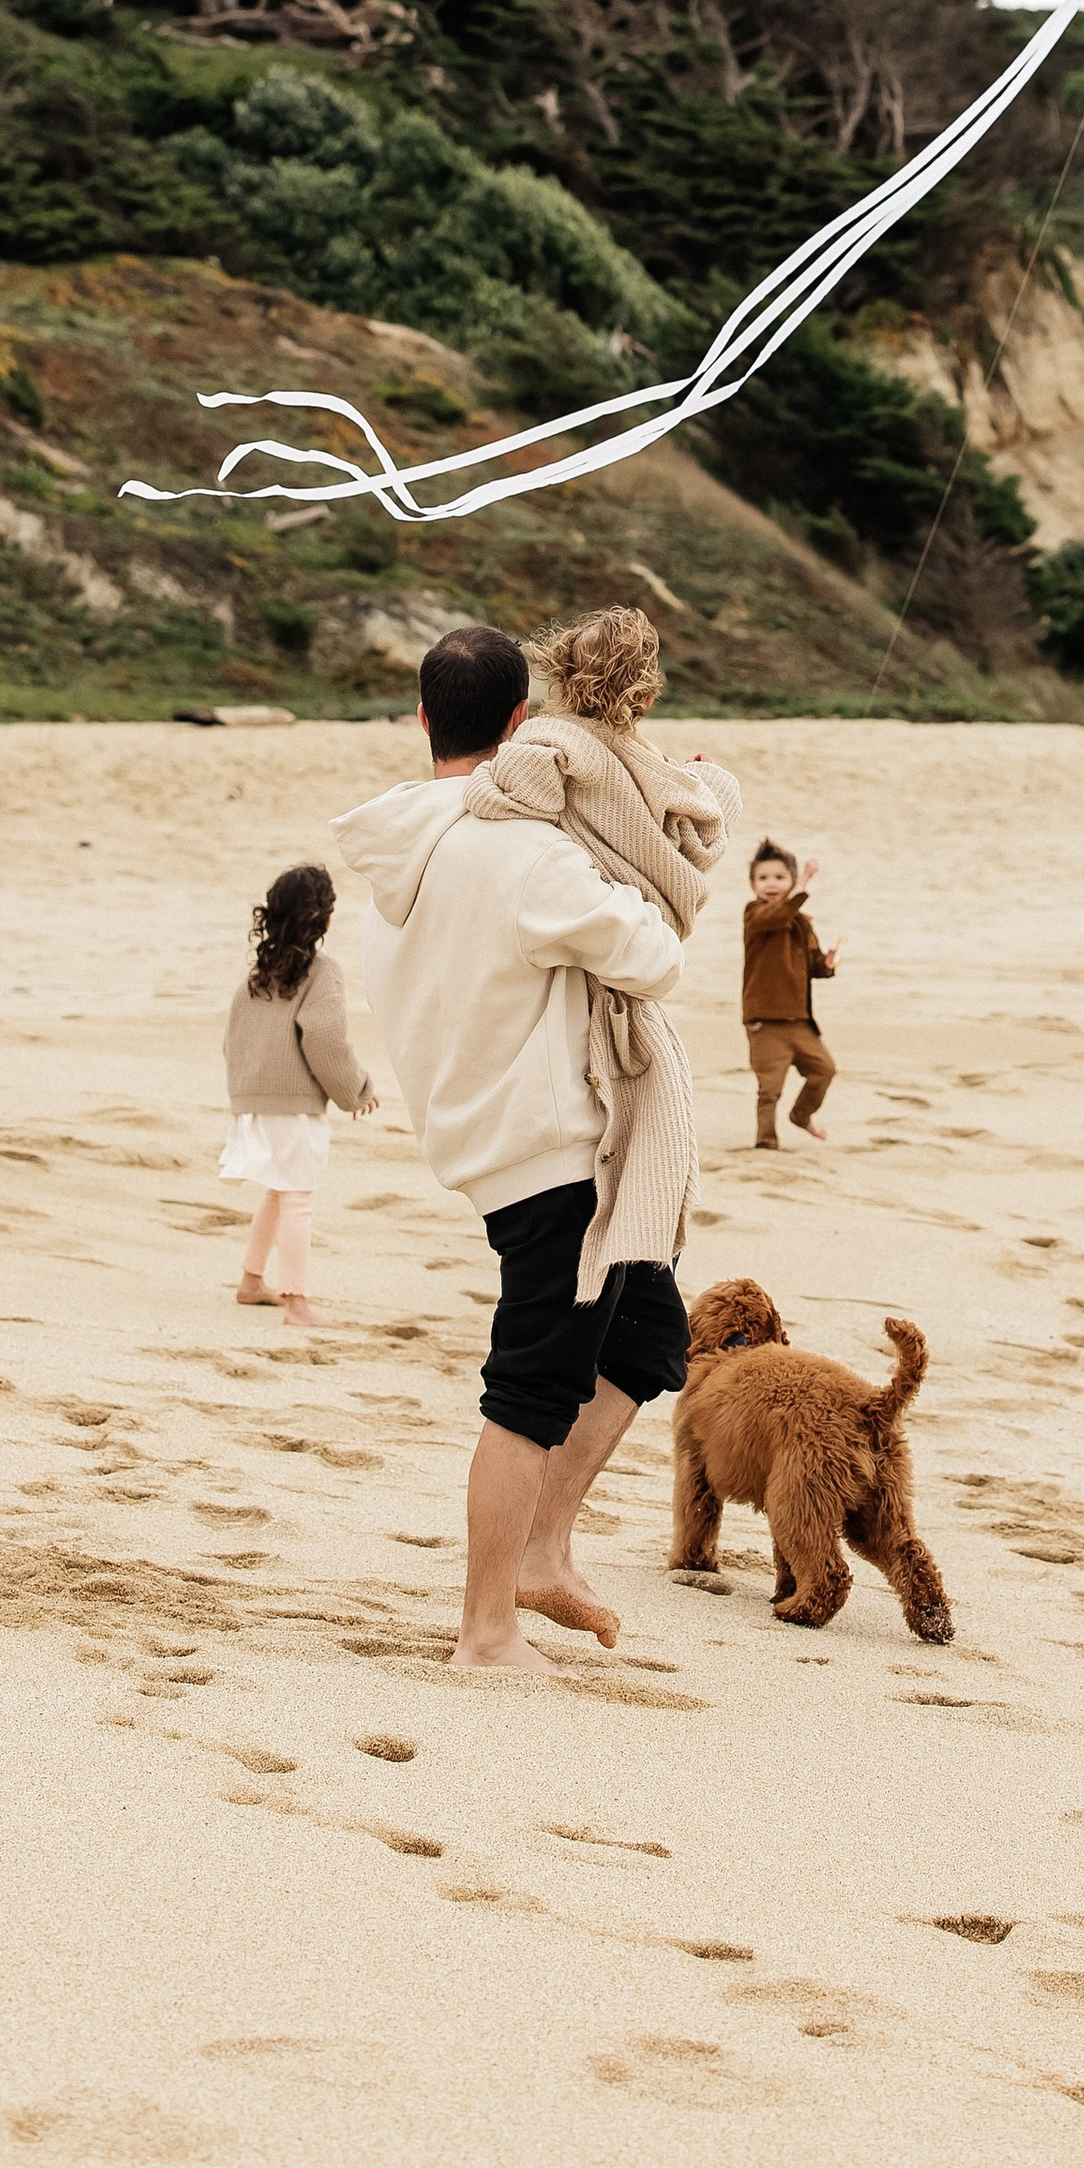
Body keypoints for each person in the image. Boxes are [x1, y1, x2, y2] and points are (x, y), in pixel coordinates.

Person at [335, 621, 712, 1676]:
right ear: (518, 727)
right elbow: (653, 955)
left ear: (422, 721)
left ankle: (541, 1554)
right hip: (553, 1156)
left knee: (645, 1343)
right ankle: (485, 1630)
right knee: (529, 1391)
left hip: (494, 1144)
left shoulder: (399, 858)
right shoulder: (519, 853)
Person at [222, 863, 379, 1331]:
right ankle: (296, 1302)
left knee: (280, 1186)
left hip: (253, 1098)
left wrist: (245, 1091)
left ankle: (252, 1281)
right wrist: (356, 1090)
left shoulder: (258, 973)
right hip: (292, 1104)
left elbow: (233, 1039)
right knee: (297, 1198)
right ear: (324, 919)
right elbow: (326, 1039)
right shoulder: (322, 972)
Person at [741, 837, 840, 1148]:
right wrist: (804, 884)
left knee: (824, 1070)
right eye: (763, 878)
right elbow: (779, 915)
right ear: (752, 885)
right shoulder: (755, 916)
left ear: (790, 881)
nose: (771, 884)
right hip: (765, 1020)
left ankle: (801, 1115)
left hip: (799, 1020)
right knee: (769, 1088)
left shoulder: (802, 924)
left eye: (780, 878)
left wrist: (827, 963)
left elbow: (814, 967)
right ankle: (766, 1142)